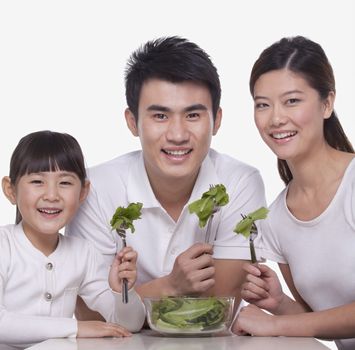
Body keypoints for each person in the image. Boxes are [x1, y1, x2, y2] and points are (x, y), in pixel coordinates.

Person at [65, 36, 266, 320]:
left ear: (217, 120)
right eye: (160, 116)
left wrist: (132, 301)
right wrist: (170, 285)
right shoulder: (96, 189)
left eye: (193, 115)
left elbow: (219, 309)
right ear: (132, 122)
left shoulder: (240, 182)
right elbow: (91, 316)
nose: (177, 134)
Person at [232, 36, 355, 350]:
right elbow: (324, 322)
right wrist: (279, 303)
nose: (275, 118)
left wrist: (276, 324)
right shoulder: (276, 220)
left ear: (327, 103)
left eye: (292, 101)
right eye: (262, 104)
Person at [0, 131, 145, 349]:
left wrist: (122, 291)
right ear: (11, 190)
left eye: (65, 183)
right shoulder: (4, 245)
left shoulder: (83, 252)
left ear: (83, 191)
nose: (52, 195)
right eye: (38, 181)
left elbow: (128, 324)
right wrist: (76, 328)